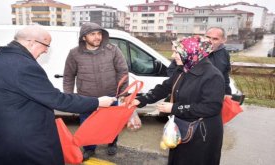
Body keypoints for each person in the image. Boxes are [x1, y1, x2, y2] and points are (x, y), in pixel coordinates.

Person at [0, 25, 116, 165]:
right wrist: (97, 102)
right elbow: (57, 99)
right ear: (31, 42)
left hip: (0, 138)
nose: (46, 51)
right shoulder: (24, 66)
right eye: (46, 45)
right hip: (26, 144)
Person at [130, 36, 225, 165]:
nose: (173, 55)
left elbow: (211, 107)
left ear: (191, 53)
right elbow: (165, 87)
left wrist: (174, 108)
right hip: (183, 127)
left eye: (177, 52)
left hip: (201, 134)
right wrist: (141, 100)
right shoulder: (183, 69)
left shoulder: (212, 76)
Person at [63, 22, 129, 160]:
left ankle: (112, 143)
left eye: (99, 33)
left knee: (111, 123)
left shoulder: (113, 50)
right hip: (86, 98)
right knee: (88, 125)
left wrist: (122, 94)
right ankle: (89, 148)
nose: (97, 37)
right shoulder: (74, 53)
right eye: (92, 34)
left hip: (110, 96)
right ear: (84, 37)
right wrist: (69, 98)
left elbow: (122, 72)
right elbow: (69, 76)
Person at [167, 27, 232, 95]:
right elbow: (171, 71)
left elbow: (224, 75)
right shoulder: (192, 51)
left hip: (212, 95)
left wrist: (227, 93)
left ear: (223, 40)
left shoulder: (224, 53)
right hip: (190, 95)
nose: (210, 41)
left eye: (215, 39)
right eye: (208, 37)